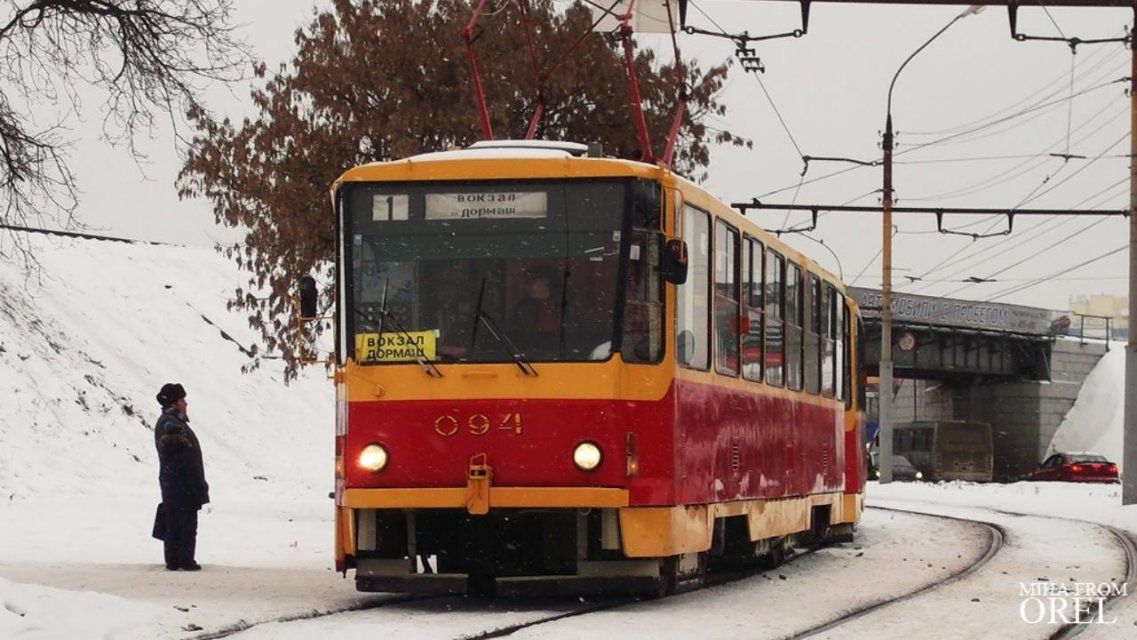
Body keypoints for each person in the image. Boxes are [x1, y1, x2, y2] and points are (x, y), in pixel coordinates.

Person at [153, 383, 209, 571]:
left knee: (179, 521)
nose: (186, 404)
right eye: (182, 400)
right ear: (174, 404)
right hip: (179, 484)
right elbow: (172, 451)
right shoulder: (169, 423)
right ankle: (182, 559)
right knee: (182, 523)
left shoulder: (175, 422)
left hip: (180, 484)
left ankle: (178, 559)